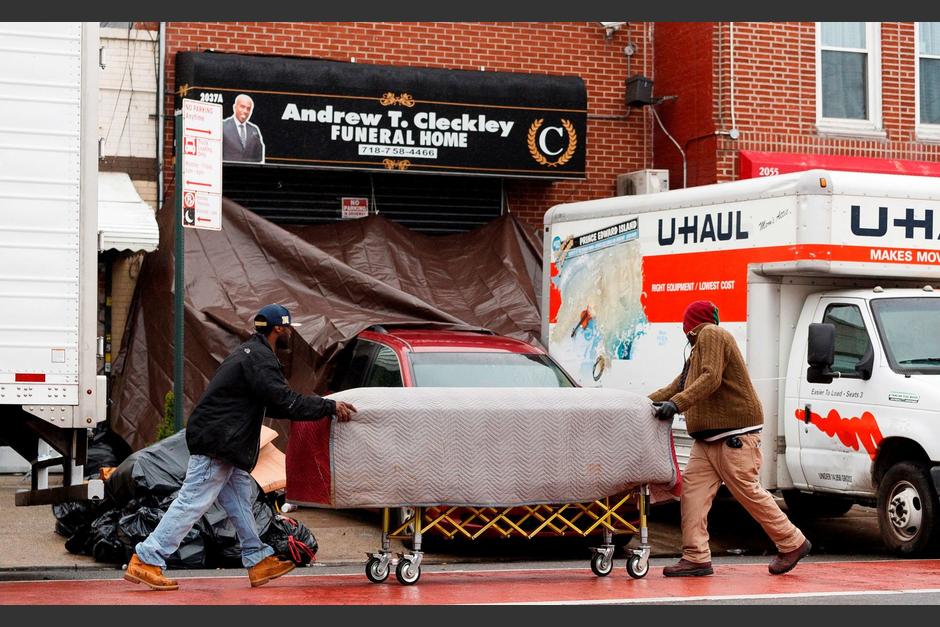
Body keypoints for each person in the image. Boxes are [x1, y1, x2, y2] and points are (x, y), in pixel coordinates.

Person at [124, 304, 357, 590]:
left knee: (239, 500)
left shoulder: (251, 353)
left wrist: (321, 407)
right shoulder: (260, 359)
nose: (290, 336)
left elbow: (273, 401)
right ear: (279, 328)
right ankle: (147, 559)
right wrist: (328, 406)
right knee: (192, 502)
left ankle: (257, 559)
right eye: (288, 329)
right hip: (218, 443)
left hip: (223, 443)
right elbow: (284, 401)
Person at [649, 299, 811, 577]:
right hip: (708, 439)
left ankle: (792, 542)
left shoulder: (712, 334)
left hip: (733, 435)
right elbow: (678, 385)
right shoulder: (698, 349)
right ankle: (696, 556)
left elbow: (711, 378)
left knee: (747, 491)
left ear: (690, 324)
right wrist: (640, 403)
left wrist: (676, 404)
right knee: (692, 493)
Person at [222, 93, 265, 163]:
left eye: (248, 109)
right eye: (242, 107)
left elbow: (258, 158)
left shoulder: (254, 130)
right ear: (234, 107)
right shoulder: (222, 126)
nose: (245, 111)